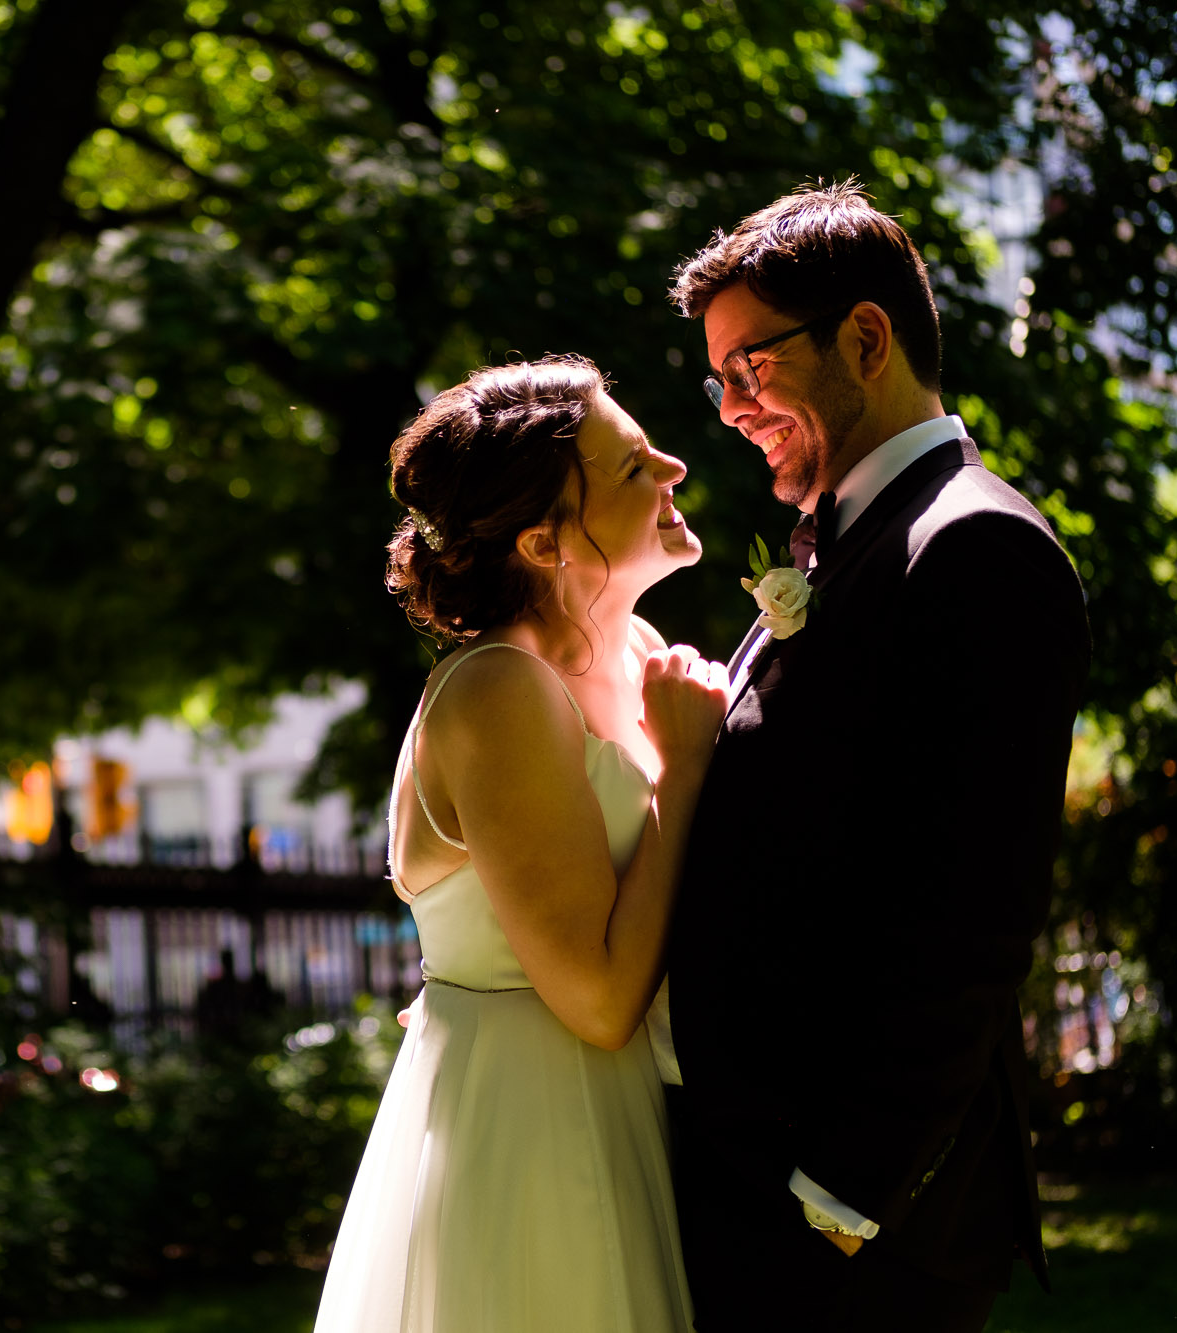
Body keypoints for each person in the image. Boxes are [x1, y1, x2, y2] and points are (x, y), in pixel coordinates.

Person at [662, 181, 1091, 1331]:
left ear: (863, 337)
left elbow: (973, 914)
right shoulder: (845, 547)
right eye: (719, 380)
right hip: (760, 1191)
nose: (730, 408)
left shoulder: (976, 548)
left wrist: (839, 1197)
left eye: (750, 367)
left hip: (857, 1232)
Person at [313, 355, 727, 1332]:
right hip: (531, 1132)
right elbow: (593, 996)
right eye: (630, 468)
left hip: (622, 1115)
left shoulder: (634, 657)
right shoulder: (498, 692)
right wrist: (685, 777)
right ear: (543, 542)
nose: (672, 466)